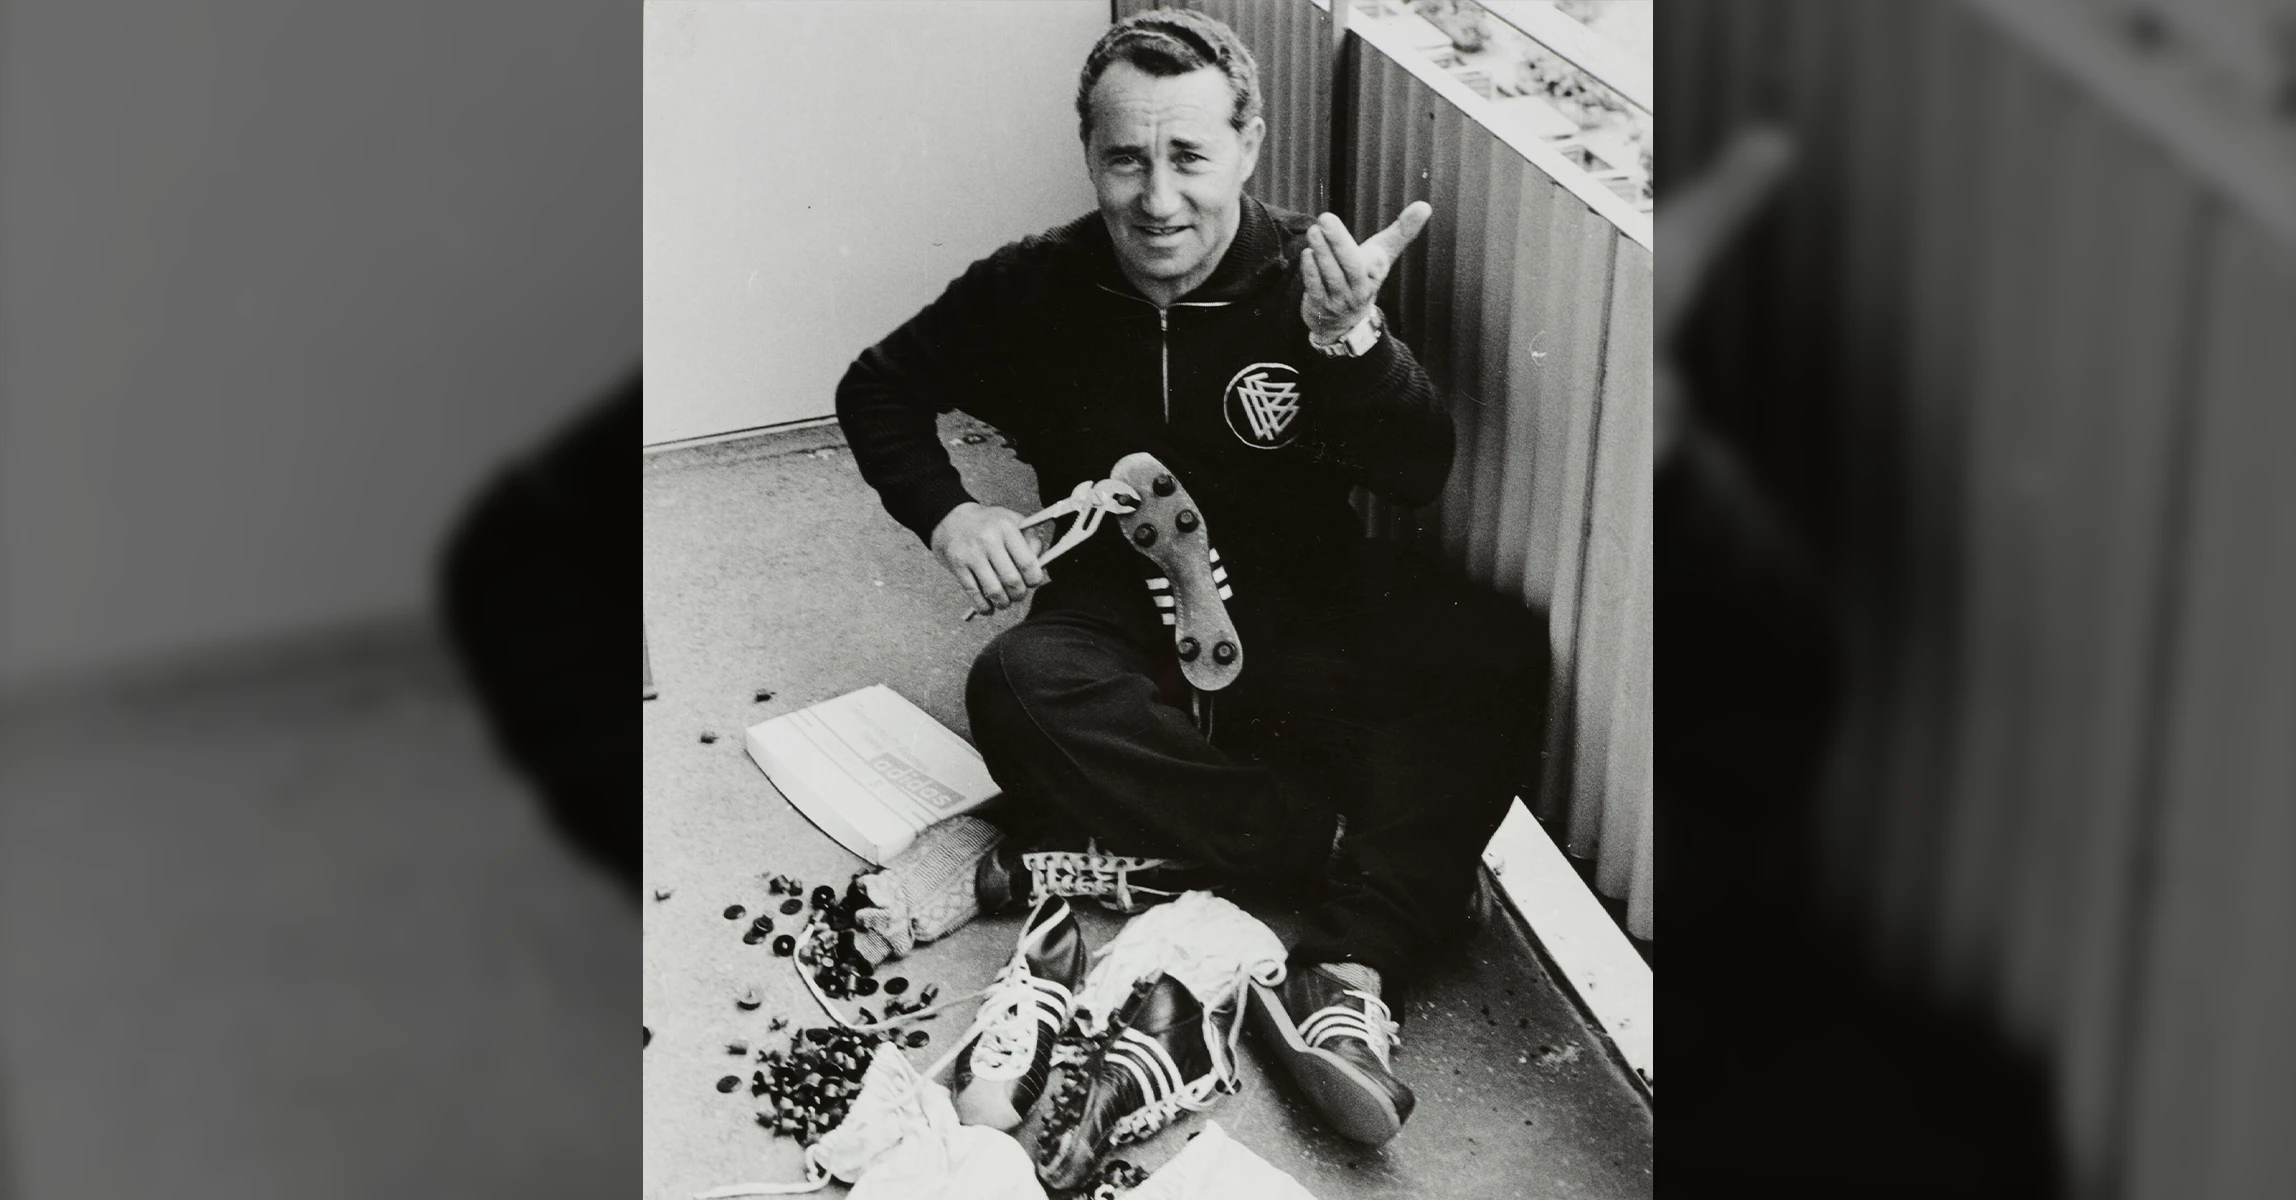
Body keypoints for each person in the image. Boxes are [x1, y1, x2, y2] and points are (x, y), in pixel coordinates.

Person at [834, 9, 1543, 1148]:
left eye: (1188, 157)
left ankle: (1338, 974)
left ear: (1248, 145)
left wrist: (1351, 345)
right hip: (1116, 614)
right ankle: (1335, 857)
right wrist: (951, 512)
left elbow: (1418, 472)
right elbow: (876, 387)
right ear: (1091, 157)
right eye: (1126, 158)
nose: (1157, 198)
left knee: (1490, 641)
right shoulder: (1033, 287)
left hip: (1303, 607)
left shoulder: (1311, 271)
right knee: (1020, 684)